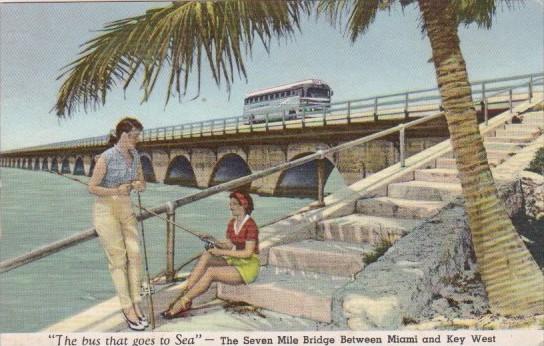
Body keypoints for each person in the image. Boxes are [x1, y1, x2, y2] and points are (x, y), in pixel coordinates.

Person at [88, 117, 148, 331]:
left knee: (135, 254)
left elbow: (141, 181)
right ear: (123, 135)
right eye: (134, 136)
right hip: (105, 210)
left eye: (138, 136)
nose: (137, 140)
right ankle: (127, 307)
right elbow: (92, 187)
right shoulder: (106, 157)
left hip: (125, 207)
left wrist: (139, 185)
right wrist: (115, 190)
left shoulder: (136, 156)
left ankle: (137, 302)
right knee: (118, 260)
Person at [161, 190, 260, 319]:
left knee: (211, 272)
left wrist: (220, 252)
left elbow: (247, 253)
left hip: (247, 267)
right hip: (234, 261)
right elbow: (229, 246)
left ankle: (183, 302)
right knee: (207, 255)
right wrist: (213, 240)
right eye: (230, 204)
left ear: (244, 205)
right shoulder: (232, 223)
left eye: (234, 204)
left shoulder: (251, 225)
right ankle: (187, 296)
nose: (230, 207)